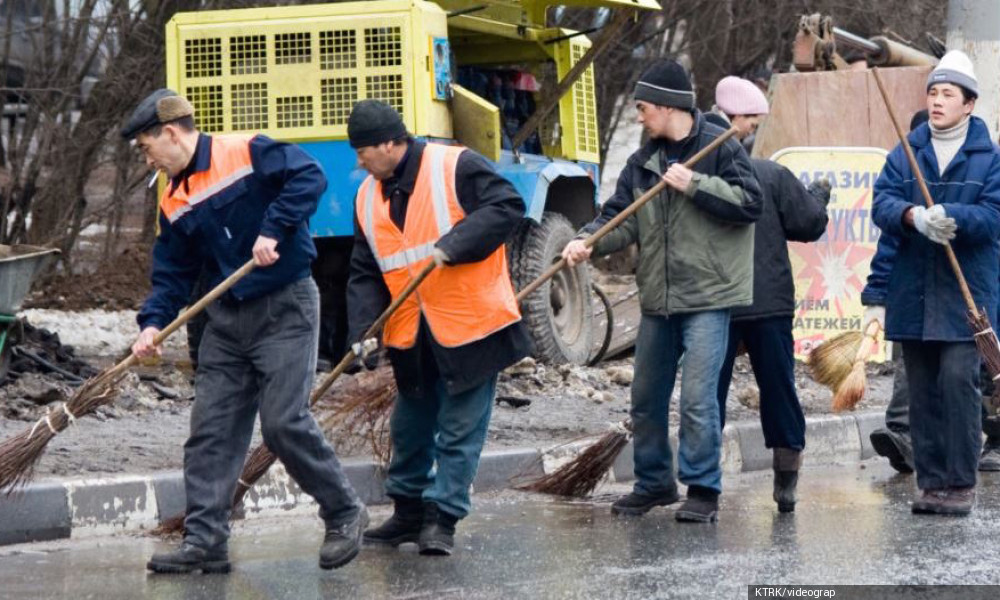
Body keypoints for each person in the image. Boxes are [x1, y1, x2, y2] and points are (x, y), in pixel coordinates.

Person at [126, 89, 367, 573]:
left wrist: (273, 229)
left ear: (170, 133)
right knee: (210, 432)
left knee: (282, 422)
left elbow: (309, 176)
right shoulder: (174, 199)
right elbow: (172, 271)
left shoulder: (247, 151)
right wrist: (152, 324)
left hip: (285, 308)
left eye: (146, 146)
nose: (146, 157)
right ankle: (205, 542)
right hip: (226, 322)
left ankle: (344, 511)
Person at [563, 59, 762, 523]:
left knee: (697, 398)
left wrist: (696, 184)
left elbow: (750, 203)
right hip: (658, 298)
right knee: (646, 398)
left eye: (643, 107)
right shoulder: (642, 162)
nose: (638, 116)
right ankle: (654, 483)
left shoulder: (720, 147)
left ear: (670, 107)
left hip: (708, 297)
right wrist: (587, 241)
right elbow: (620, 216)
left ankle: (703, 489)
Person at [345, 99, 532, 555]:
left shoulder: (455, 165)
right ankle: (407, 513)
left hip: (472, 324)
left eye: (363, 151)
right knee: (410, 427)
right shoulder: (367, 196)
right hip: (412, 332)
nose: (359, 161)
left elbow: (507, 206)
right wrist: (364, 330)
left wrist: (456, 243)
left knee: (459, 429)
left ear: (391, 143)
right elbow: (365, 271)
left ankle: (443, 519)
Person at [870, 51, 1000, 515]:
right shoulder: (906, 152)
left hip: (967, 294)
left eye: (949, 93)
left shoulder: (989, 158)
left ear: (969, 104)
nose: (938, 100)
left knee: (958, 382)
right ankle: (930, 483)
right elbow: (880, 203)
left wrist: (953, 217)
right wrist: (911, 215)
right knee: (921, 391)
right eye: (933, 92)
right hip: (914, 289)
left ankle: (960, 482)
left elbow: (993, 216)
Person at [705, 77, 831, 514]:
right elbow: (809, 224)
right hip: (766, 303)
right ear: (738, 123)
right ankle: (785, 482)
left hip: (712, 301)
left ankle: (705, 483)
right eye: (752, 122)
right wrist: (818, 195)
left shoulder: (693, 178)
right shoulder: (771, 175)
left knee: (707, 393)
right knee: (778, 388)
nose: (754, 129)